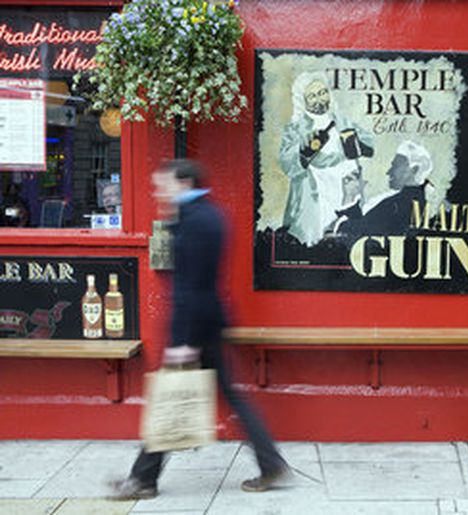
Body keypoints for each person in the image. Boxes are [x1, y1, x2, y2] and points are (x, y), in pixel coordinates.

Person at [110, 159, 287, 500]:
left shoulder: (194, 221)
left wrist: (183, 341)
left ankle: (143, 479)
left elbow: (190, 286)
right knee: (221, 395)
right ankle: (270, 464)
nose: (157, 191)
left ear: (185, 182)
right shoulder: (208, 215)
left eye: (163, 184)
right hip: (207, 323)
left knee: (169, 399)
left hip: (195, 329)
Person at [279, 71, 374, 246]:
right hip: (316, 194)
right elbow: (287, 164)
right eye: (312, 96)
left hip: (346, 192)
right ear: (303, 100)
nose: (319, 99)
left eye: (323, 92)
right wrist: (304, 150)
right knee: (317, 243)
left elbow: (369, 143)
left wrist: (355, 145)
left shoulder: (341, 121)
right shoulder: (296, 129)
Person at [335, 140, 433, 240]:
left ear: (414, 169)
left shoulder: (396, 205)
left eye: (395, 166)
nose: (389, 172)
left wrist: (349, 200)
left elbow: (349, 230)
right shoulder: (412, 200)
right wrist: (350, 195)